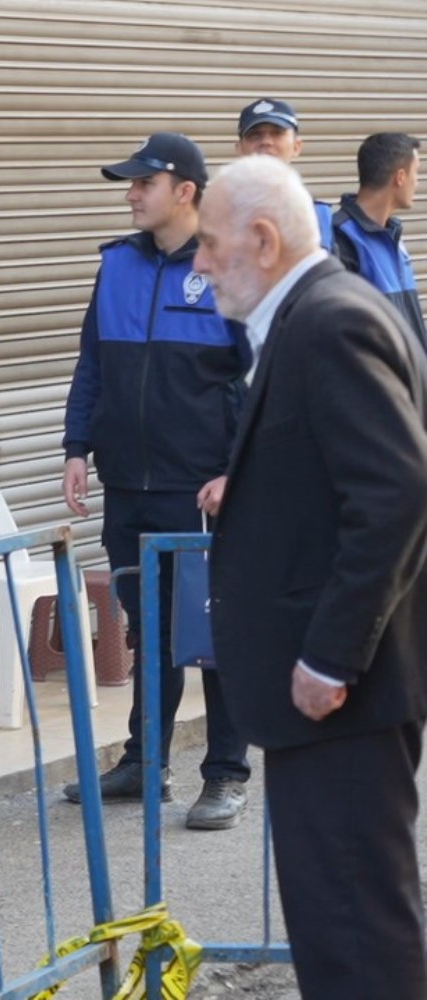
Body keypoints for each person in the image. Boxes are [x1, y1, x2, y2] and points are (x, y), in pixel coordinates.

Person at [198, 153, 427, 997]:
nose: (198, 265)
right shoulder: (315, 315)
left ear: (261, 240)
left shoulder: (328, 320)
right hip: (323, 701)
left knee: (355, 930)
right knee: (340, 925)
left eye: (209, 245)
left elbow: (398, 492)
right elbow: (333, 473)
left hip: (340, 694)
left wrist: (331, 657)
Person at [57, 133, 251, 830]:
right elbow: (92, 366)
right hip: (129, 483)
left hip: (202, 488)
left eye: (144, 182)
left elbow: (259, 381)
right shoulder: (116, 266)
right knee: (148, 628)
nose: (131, 193)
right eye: (129, 184)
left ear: (186, 191)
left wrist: (237, 467)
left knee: (212, 627)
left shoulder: (229, 264)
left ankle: (226, 772)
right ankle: (145, 762)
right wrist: (77, 446)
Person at [332, 132, 426, 349]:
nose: (418, 182)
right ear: (400, 177)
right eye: (417, 173)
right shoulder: (341, 240)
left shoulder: (393, 238)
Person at [233, 97, 333, 246]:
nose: (266, 142)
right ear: (239, 149)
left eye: (277, 133)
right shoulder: (222, 214)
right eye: (255, 135)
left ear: (296, 147)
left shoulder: (318, 216)